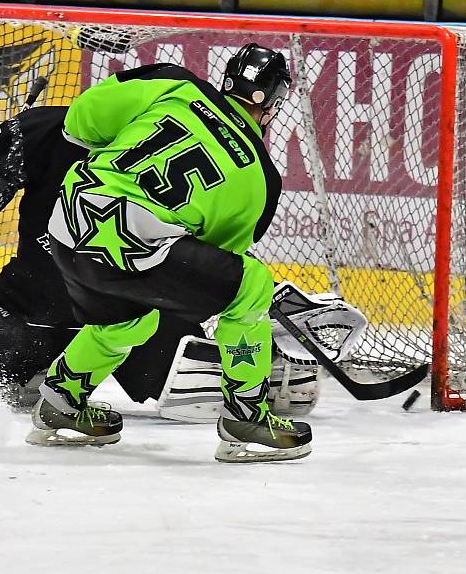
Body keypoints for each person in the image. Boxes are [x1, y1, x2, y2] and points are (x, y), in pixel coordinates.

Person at [31, 43, 313, 463]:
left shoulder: (174, 84)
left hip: (66, 224)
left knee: (128, 322)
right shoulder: (261, 180)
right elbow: (216, 267)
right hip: (131, 247)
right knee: (251, 285)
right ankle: (246, 418)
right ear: (271, 106)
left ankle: (62, 401)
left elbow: (79, 123)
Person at [0, 104, 204, 409]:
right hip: (63, 303)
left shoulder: (55, 127)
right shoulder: (54, 129)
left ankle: (47, 361)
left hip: (68, 304)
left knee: (199, 394)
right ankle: (47, 361)